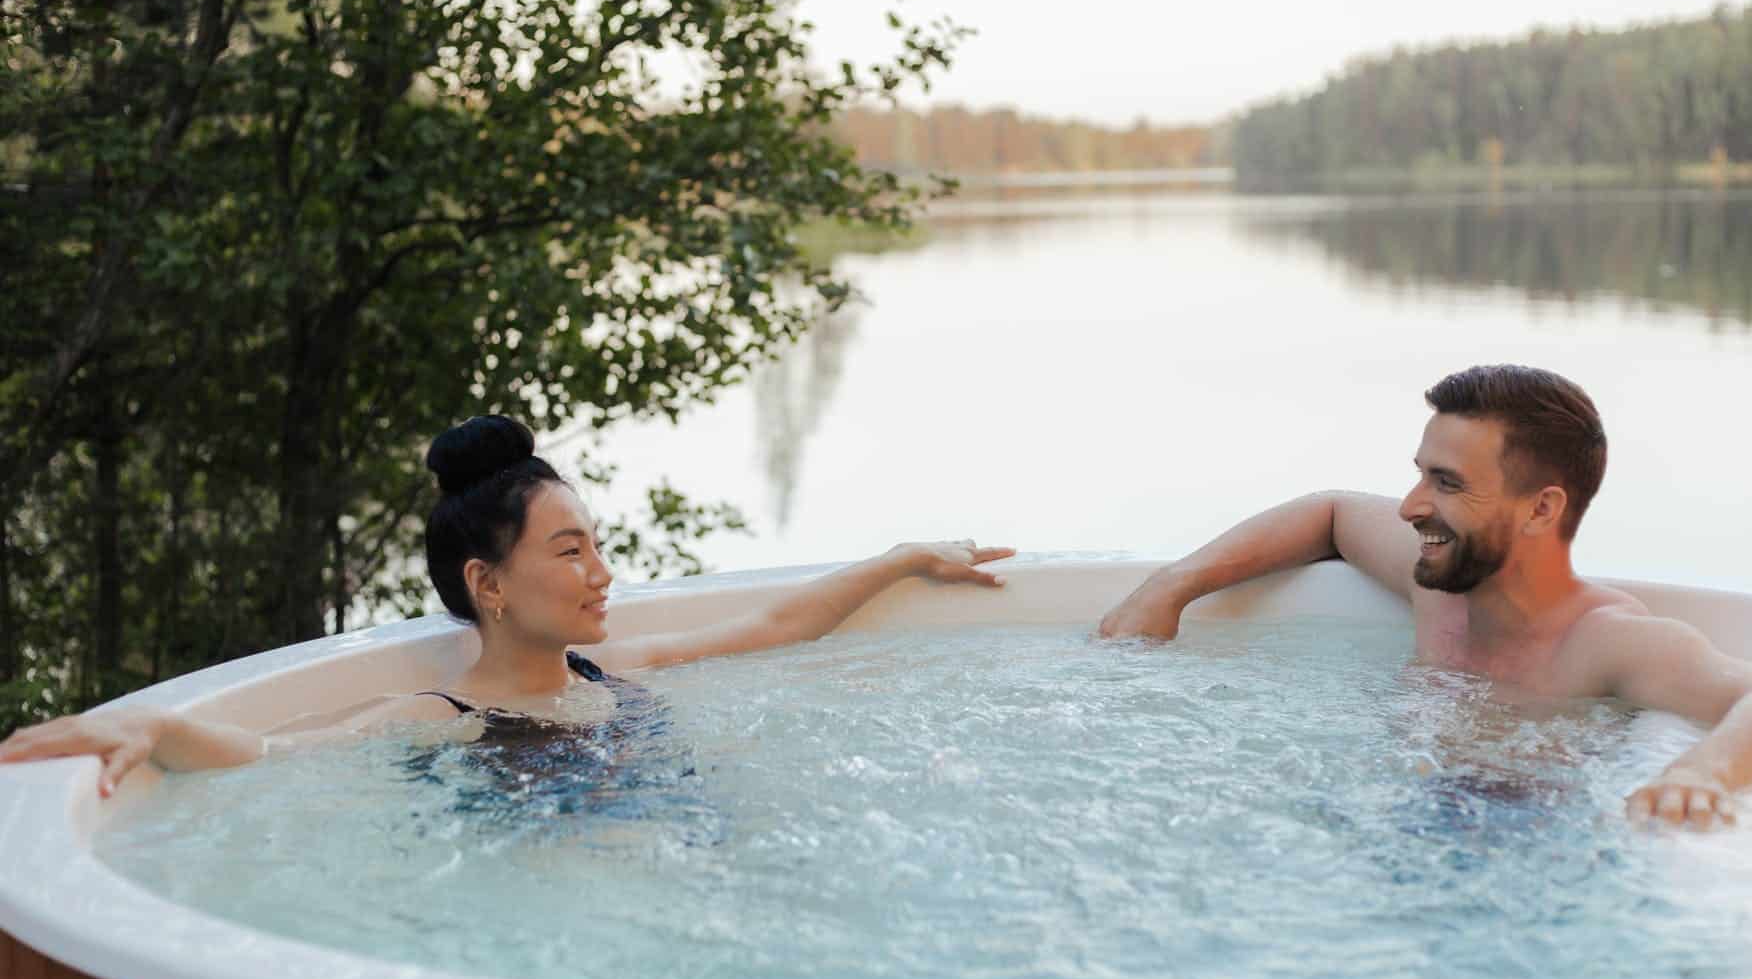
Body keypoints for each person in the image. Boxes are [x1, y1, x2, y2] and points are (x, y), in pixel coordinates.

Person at [0, 415, 1014, 796]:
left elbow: (774, 625)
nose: (601, 572)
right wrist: (145, 722)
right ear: (487, 584)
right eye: (569, 550)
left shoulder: (615, 671)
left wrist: (899, 557)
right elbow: (268, 754)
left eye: (597, 545)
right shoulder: (439, 720)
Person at [1097, 364, 1752, 831]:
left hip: (1533, 847)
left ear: (1542, 509)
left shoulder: (1604, 640)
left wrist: (1698, 773)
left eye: (1446, 484)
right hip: (1400, 820)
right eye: (1421, 473)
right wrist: (1172, 588)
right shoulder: (1442, 588)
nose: (1410, 505)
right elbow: (1327, 511)